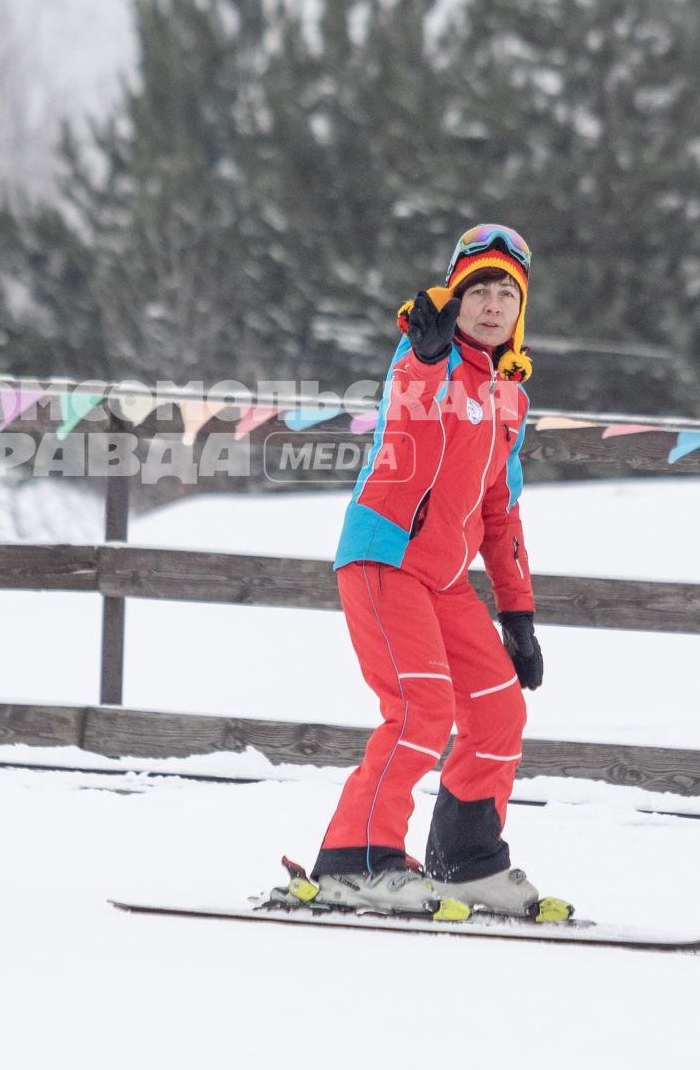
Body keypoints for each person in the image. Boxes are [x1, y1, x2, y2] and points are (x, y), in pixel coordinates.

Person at [281, 223, 564, 921]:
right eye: (479, 291)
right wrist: (429, 354)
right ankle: (356, 859)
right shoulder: (422, 356)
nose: (492, 305)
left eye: (507, 294)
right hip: (385, 559)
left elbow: (502, 514)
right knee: (420, 710)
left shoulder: (510, 398)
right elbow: (409, 406)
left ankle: (465, 863)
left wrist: (518, 614)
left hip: (444, 580)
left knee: (499, 709)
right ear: (455, 297)